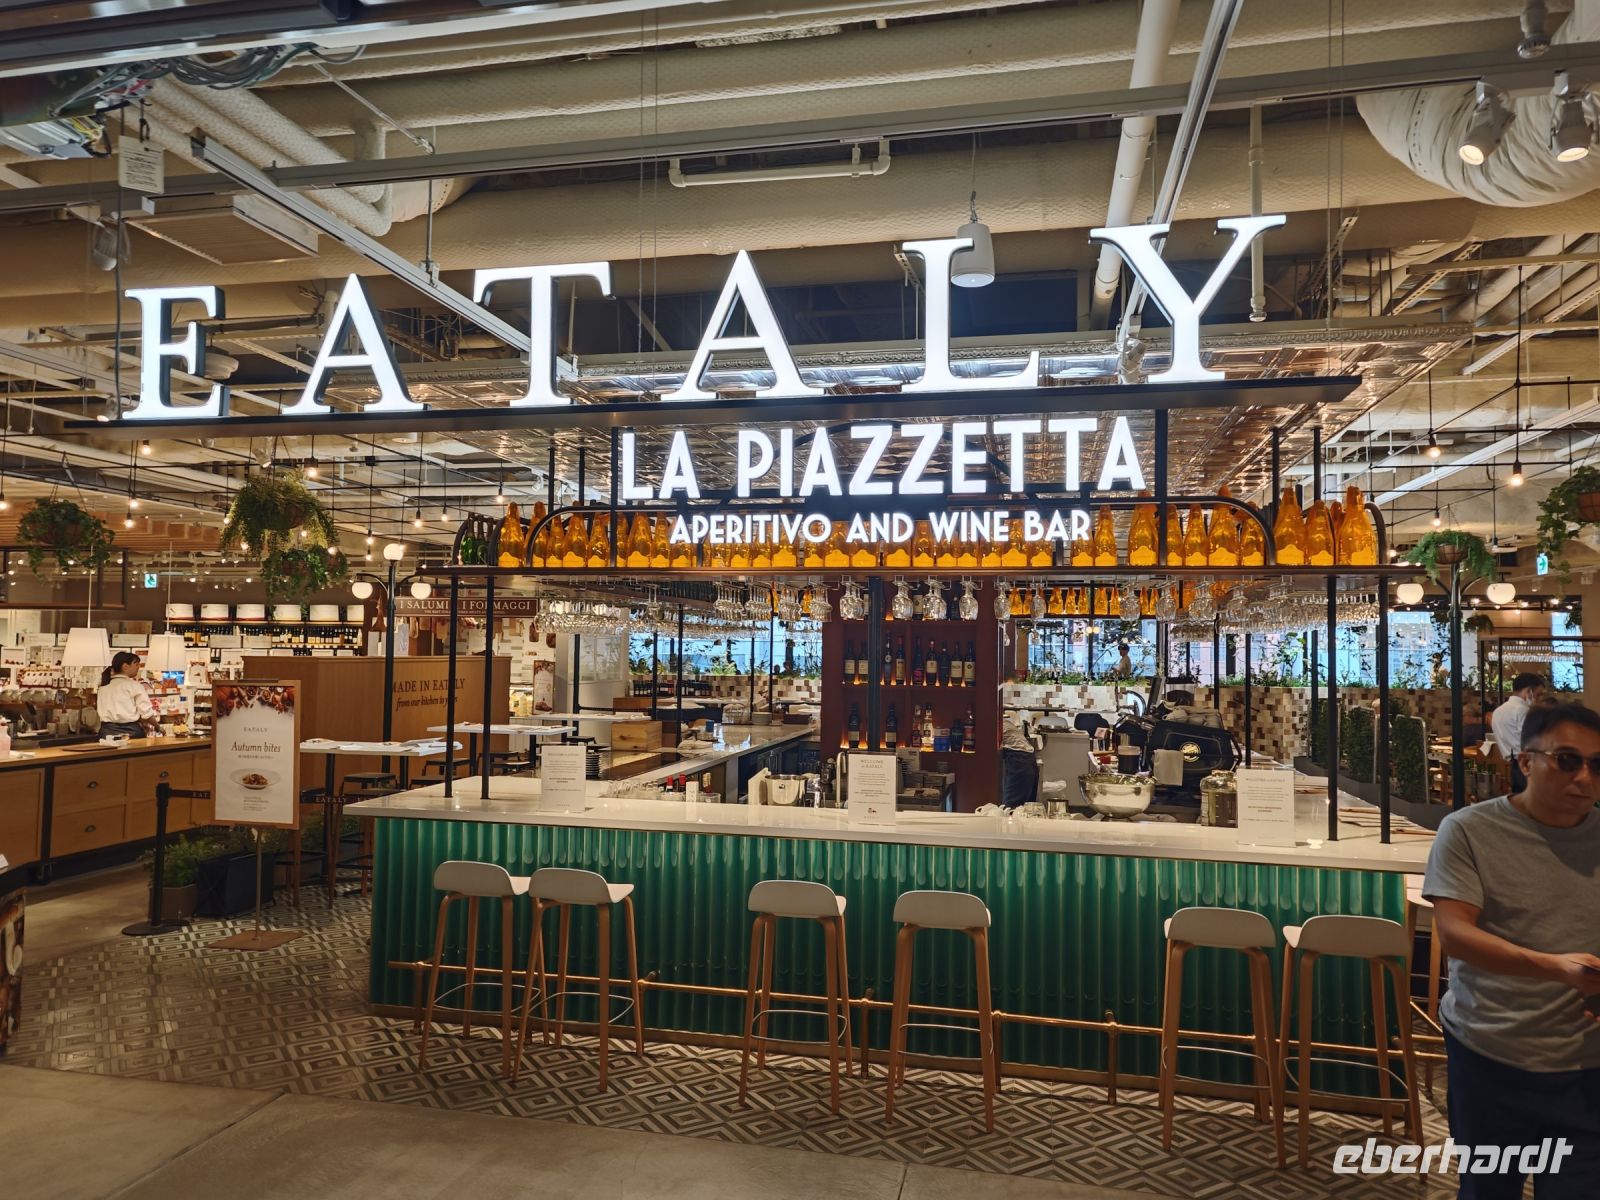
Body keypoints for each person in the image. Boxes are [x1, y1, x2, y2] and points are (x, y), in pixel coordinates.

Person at [1422, 701, 1600, 1199]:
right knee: (1488, 1190)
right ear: (1525, 761)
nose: (1584, 777)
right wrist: (1555, 969)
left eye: (1597, 765)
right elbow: (1455, 933)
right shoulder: (1468, 830)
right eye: (1567, 760)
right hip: (1490, 1054)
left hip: (1586, 1066)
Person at [1491, 673, 1546, 792]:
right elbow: (1531, 740)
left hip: (1510, 764)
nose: (1540, 699)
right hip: (1528, 763)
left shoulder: (1498, 711)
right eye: (1539, 694)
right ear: (1529, 692)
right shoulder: (1523, 710)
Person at [95, 651, 157, 738]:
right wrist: (158, 727)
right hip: (131, 733)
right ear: (125, 666)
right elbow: (146, 713)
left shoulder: (102, 689)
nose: (138, 667)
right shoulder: (135, 686)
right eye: (136, 664)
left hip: (107, 733)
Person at [1000, 712, 1038, 810]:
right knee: (1024, 809)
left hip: (1019, 760)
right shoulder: (1004, 723)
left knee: (1011, 809)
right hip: (1027, 758)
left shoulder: (993, 724)